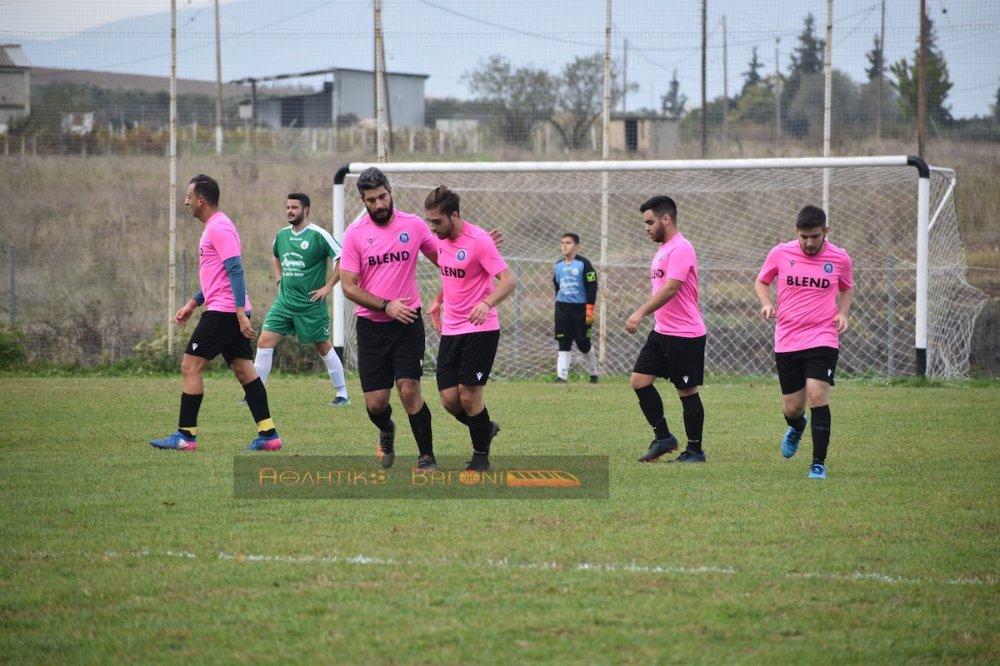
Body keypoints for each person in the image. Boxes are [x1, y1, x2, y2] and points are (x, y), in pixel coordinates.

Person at [150, 174, 282, 452]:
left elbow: (235, 269)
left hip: (225, 312)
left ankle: (185, 436)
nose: (185, 201)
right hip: (225, 308)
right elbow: (218, 276)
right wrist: (194, 302)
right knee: (245, 370)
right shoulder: (215, 226)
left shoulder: (219, 228)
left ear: (201, 199)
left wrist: (239, 313)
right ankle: (269, 435)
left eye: (188, 196)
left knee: (190, 366)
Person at [339, 167, 440, 470]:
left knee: (409, 389)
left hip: (408, 321)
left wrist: (476, 245)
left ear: (390, 191)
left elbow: (444, 257)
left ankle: (426, 457)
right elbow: (348, 286)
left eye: (383, 197)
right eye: (372, 200)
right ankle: (386, 429)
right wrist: (385, 306)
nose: (379, 204)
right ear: (363, 201)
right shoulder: (354, 235)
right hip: (372, 327)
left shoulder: (415, 226)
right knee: (376, 403)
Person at [754, 205, 853, 480]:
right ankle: (797, 427)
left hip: (823, 336)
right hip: (787, 339)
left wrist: (842, 313)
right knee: (793, 407)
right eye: (804, 237)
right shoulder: (780, 253)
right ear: (796, 232)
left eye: (815, 236)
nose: (809, 243)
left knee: (817, 394)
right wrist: (766, 303)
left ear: (825, 232)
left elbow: (846, 286)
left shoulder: (840, 258)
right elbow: (761, 282)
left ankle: (818, 463)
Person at [424, 186, 516, 472]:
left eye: (437, 222)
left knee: (468, 395)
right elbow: (452, 274)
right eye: (429, 222)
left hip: (481, 328)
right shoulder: (439, 240)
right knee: (450, 401)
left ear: (454, 215)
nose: (432, 228)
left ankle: (480, 457)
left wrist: (487, 303)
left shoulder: (479, 241)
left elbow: (509, 280)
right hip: (451, 329)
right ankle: (484, 428)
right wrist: (438, 300)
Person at [626, 195, 707, 464]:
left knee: (686, 392)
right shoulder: (662, 249)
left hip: (685, 334)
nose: (646, 228)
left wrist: (640, 312)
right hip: (662, 332)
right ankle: (664, 438)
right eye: (645, 223)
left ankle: (695, 451)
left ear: (666, 219)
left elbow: (671, 288)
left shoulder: (681, 248)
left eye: (650, 222)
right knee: (639, 381)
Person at [252, 193, 351, 406]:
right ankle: (255, 394)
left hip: (311, 304)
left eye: (294, 207)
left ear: (306, 210)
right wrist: (279, 280)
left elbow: (342, 258)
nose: (290, 211)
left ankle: (342, 394)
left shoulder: (318, 234)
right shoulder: (282, 235)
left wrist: (328, 286)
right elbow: (275, 256)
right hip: (285, 303)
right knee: (264, 341)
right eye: (287, 207)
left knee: (323, 345)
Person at [553, 233, 599, 384]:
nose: (564, 245)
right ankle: (562, 377)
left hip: (583, 309)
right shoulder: (558, 266)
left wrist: (590, 309)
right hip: (562, 308)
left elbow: (592, 286)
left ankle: (594, 374)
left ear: (576, 246)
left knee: (583, 342)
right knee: (563, 341)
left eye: (568, 243)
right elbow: (557, 286)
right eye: (562, 243)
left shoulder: (584, 264)